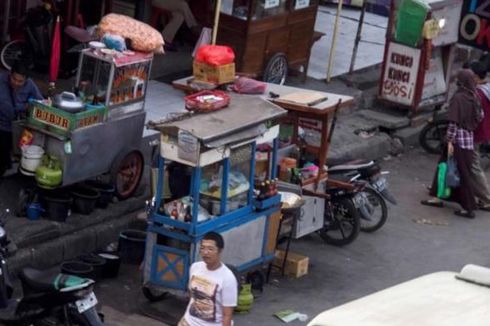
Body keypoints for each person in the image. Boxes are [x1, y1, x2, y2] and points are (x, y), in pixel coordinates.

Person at [421, 69, 483, 218]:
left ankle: (468, 207)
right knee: (444, 167)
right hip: (468, 139)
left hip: (456, 142)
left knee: (460, 172)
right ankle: (437, 196)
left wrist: (448, 140)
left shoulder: (459, 98)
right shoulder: (473, 96)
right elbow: (480, 116)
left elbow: (453, 123)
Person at [179, 232, 237, 326]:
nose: (205, 252)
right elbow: (192, 296)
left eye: (210, 249)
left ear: (220, 250)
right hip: (188, 322)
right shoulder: (195, 267)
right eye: (202, 248)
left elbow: (227, 315)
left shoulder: (228, 278)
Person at [0, 61, 43, 176]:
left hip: (19, 127)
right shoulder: (1, 80)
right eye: (14, 79)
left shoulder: (30, 84)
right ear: (10, 74)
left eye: (20, 81)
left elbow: (40, 102)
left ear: (26, 80)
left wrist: (30, 105)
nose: (16, 83)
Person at [468, 61, 490, 211]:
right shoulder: (485, 89)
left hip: (475, 132)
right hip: (482, 131)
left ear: (476, 77)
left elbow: (475, 116)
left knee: (473, 165)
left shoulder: (479, 94)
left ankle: (486, 198)